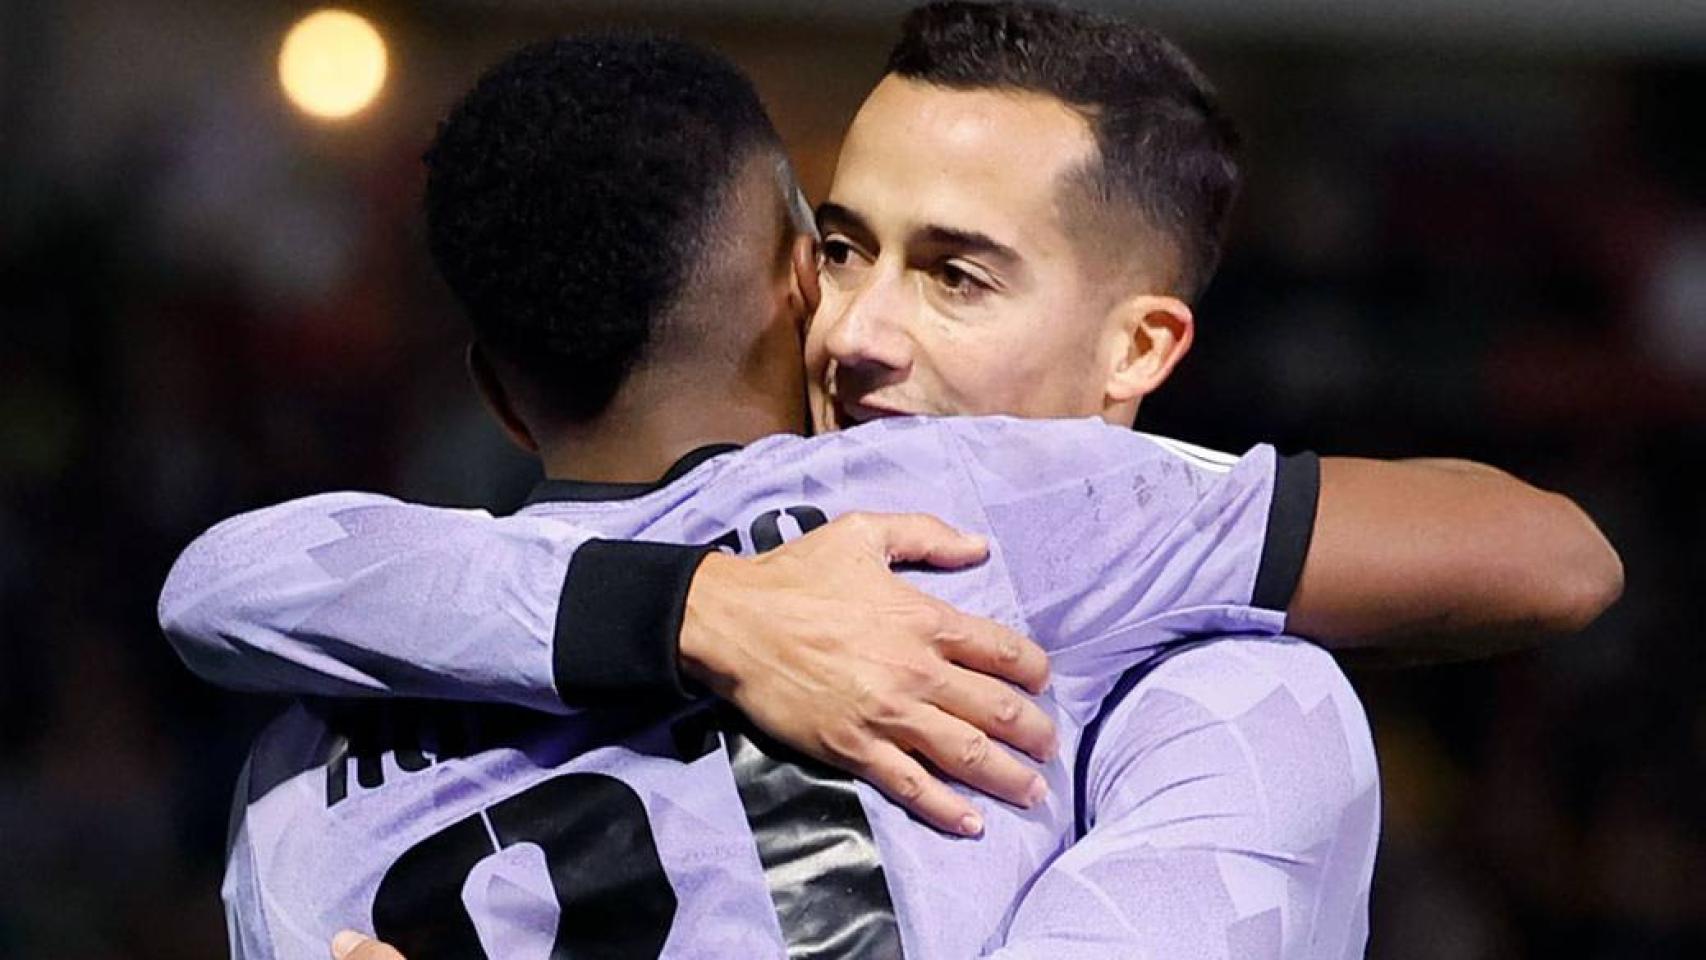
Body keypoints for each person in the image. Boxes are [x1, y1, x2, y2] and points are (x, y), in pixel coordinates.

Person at [161, 9, 1621, 960]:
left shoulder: (296, 748)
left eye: (955, 274)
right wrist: (701, 604)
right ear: (791, 275)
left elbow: (230, 580)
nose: (859, 335)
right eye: (845, 251)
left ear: (1142, 343)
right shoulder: (969, 515)